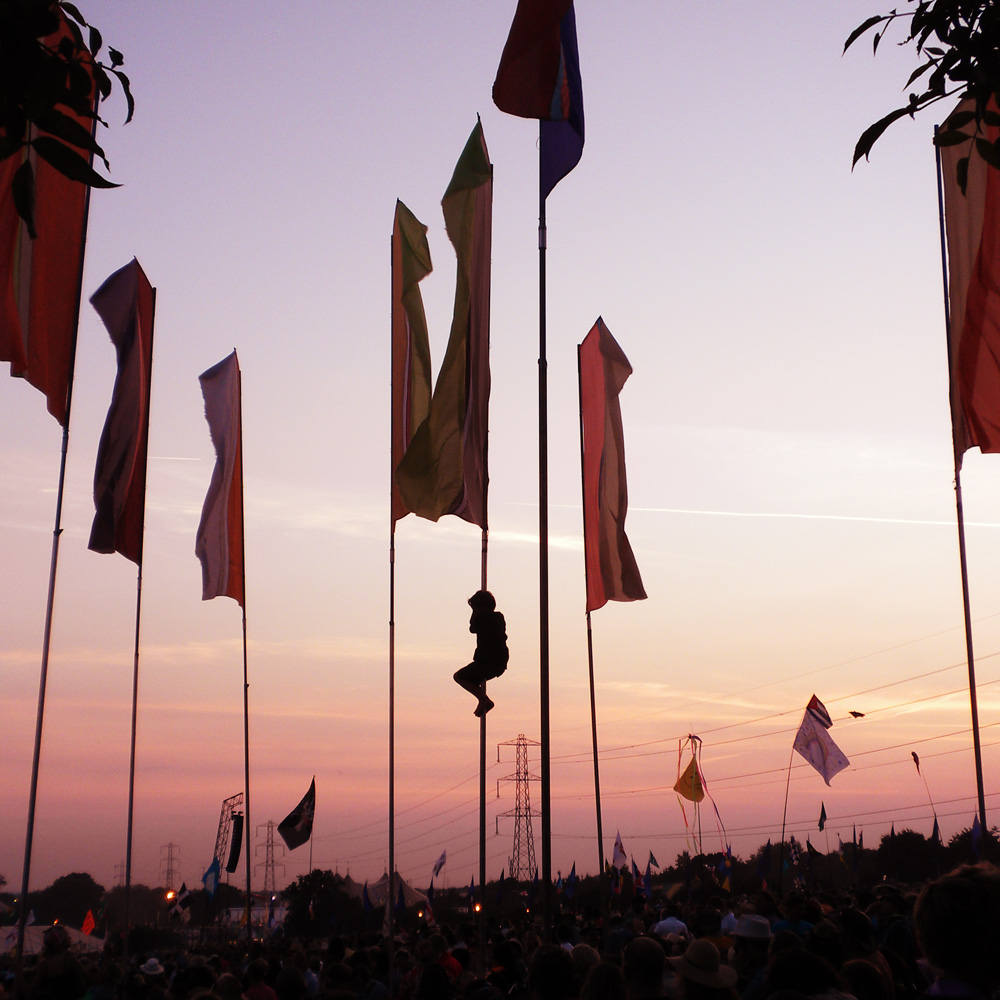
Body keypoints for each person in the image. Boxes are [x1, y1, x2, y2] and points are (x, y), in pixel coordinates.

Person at [454, 590, 508, 717]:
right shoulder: (498, 618)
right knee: (471, 679)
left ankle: (483, 699)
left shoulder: (485, 619)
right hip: (498, 661)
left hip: (488, 661)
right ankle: (482, 699)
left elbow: (472, 627)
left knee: (459, 677)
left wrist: (475, 612)